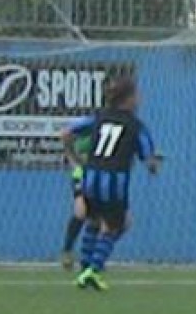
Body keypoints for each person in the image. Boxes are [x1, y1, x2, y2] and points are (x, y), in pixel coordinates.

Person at [62, 75, 161, 291]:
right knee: (120, 224)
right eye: (137, 95)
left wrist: (74, 156)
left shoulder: (99, 117)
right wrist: (155, 164)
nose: (140, 99)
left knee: (95, 221)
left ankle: (85, 268)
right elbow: (149, 159)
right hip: (114, 181)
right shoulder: (136, 126)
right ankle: (93, 270)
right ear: (129, 99)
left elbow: (67, 132)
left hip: (91, 176)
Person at [59, 125, 94, 272]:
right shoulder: (86, 130)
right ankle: (67, 251)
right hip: (82, 175)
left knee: (97, 218)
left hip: (100, 176)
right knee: (80, 211)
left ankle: (88, 260)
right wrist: (73, 160)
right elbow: (67, 140)